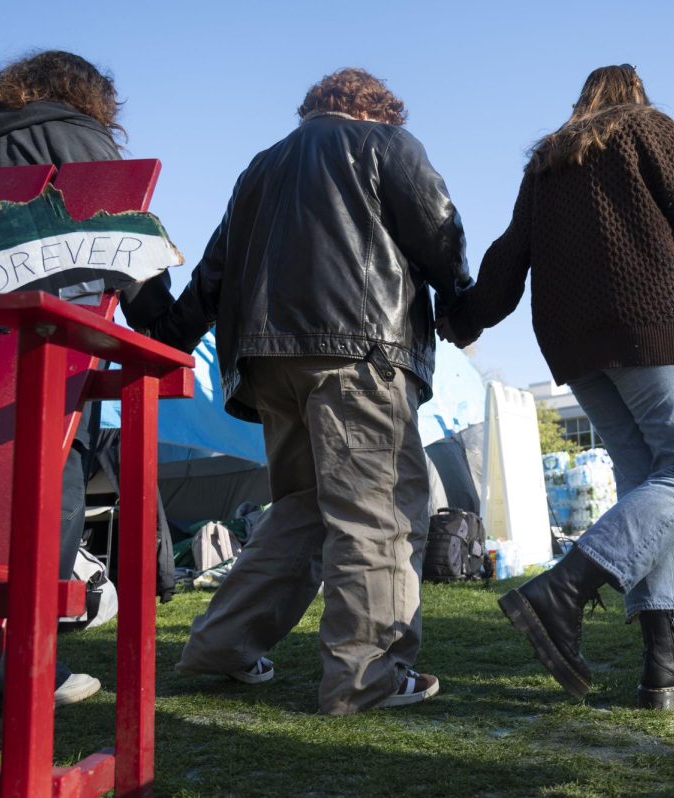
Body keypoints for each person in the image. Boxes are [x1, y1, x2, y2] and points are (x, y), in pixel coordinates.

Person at [439, 65, 674, 709]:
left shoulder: (549, 159)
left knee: (650, 481)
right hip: (648, 328)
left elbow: (509, 255)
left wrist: (465, 314)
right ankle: (563, 590)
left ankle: (667, 658)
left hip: (574, 345)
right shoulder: (649, 129)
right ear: (635, 95)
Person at [152, 68, 471, 715]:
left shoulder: (259, 169)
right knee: (375, 513)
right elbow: (439, 232)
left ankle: (223, 645)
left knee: (301, 511)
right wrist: (461, 301)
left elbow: (215, 271)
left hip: (266, 364)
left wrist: (171, 337)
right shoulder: (386, 145)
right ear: (378, 110)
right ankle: (368, 674)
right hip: (361, 352)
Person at [0, 49, 174, 708]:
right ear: (88, 97)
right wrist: (169, 319)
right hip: (46, 346)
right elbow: (125, 237)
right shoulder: (74, 136)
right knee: (50, 480)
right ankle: (19, 666)